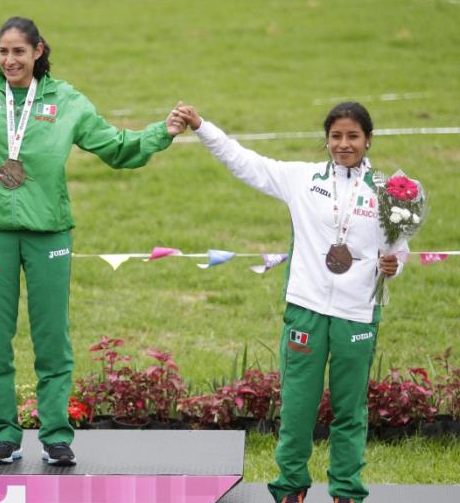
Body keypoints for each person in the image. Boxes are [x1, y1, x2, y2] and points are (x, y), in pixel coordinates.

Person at [0, 17, 186, 466]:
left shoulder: (66, 101)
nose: (9, 60)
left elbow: (117, 148)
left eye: (19, 52)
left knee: (52, 338)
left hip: (50, 234)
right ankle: (3, 433)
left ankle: (56, 434)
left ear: (39, 51)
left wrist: (164, 132)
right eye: (3, 51)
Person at [172, 102, 407, 503]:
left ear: (369, 140)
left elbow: (398, 249)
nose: (343, 144)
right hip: (306, 308)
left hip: (358, 313)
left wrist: (393, 264)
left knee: (350, 409)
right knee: (298, 406)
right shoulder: (302, 179)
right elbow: (243, 162)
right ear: (326, 140)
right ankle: (290, 487)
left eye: (353, 136)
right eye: (336, 136)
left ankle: (346, 490)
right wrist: (201, 126)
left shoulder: (390, 192)